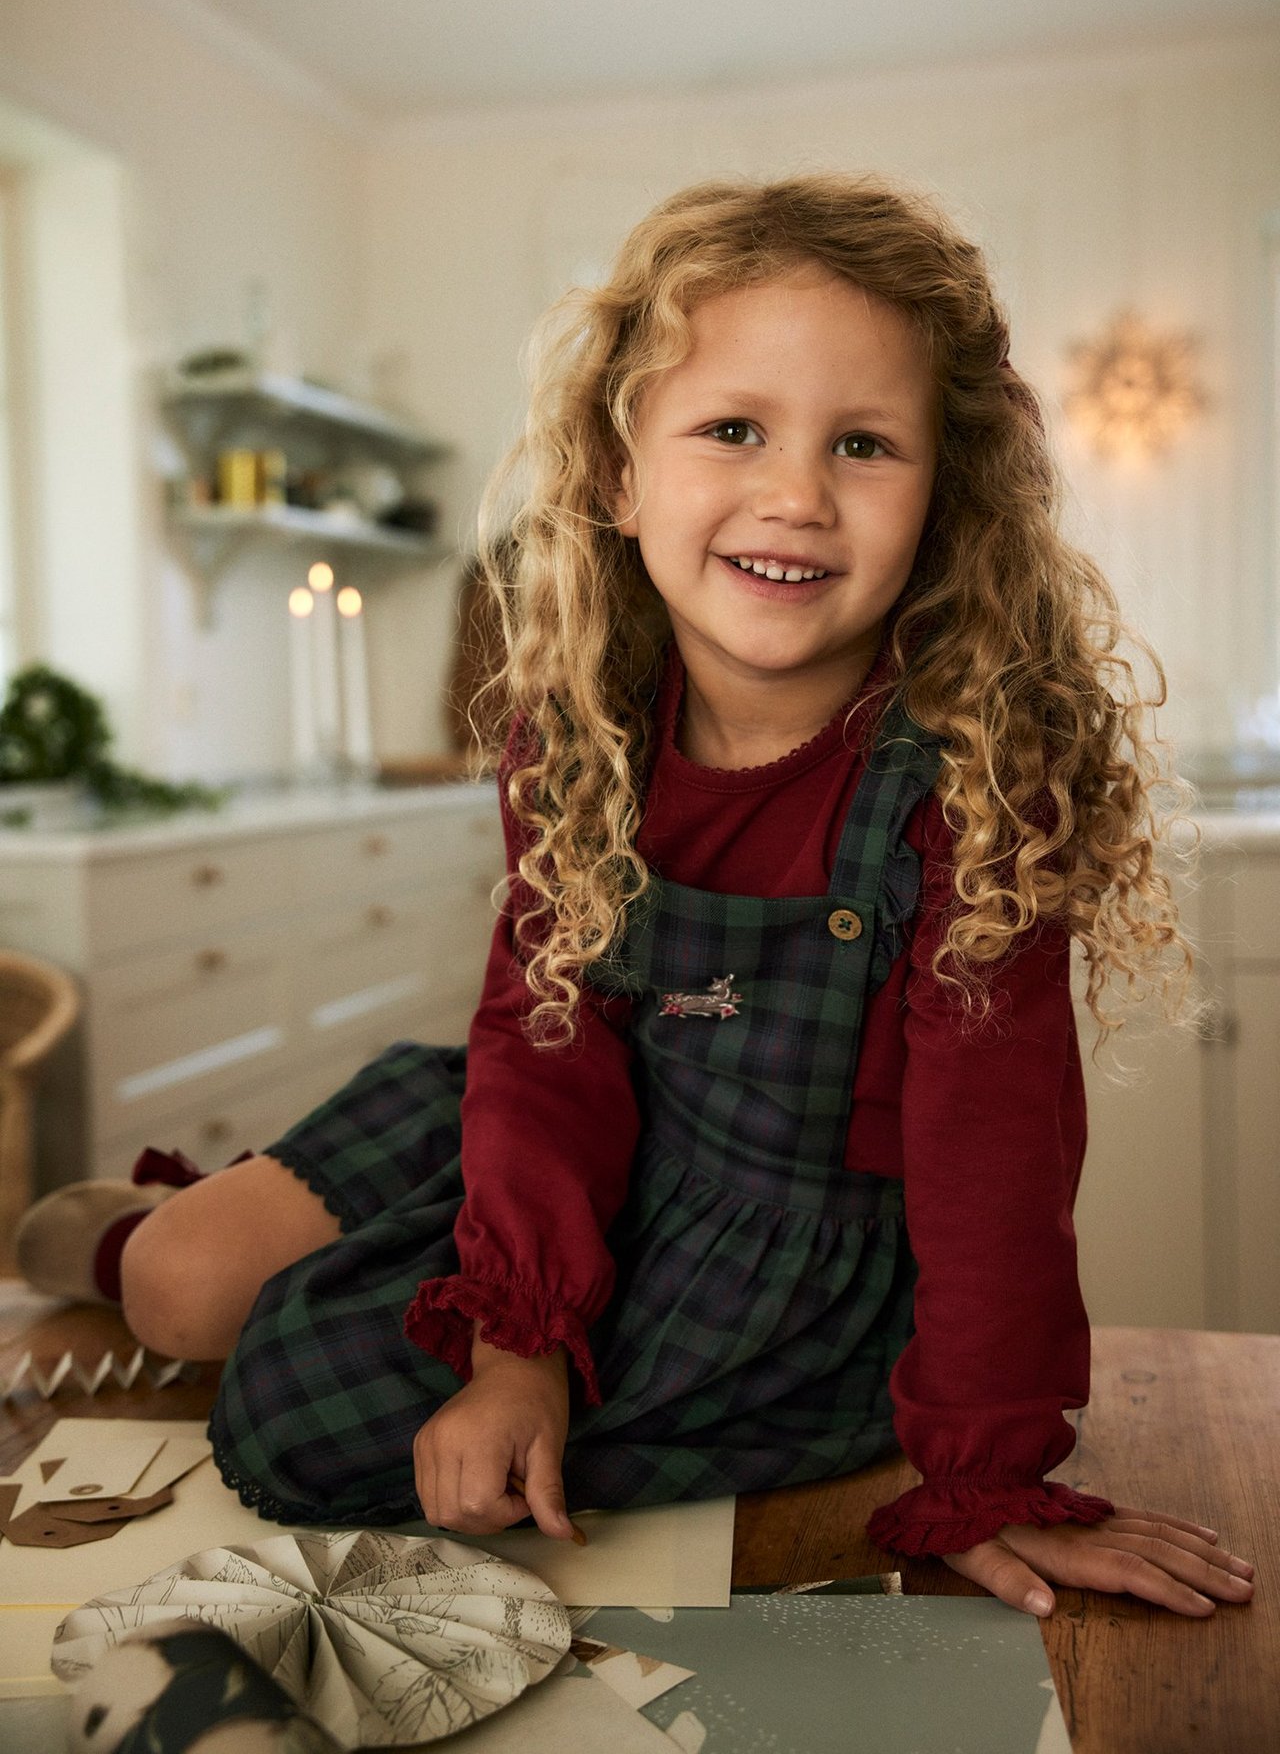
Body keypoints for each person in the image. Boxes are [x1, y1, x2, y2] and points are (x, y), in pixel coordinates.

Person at [20, 173, 1254, 1624]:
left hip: (762, 1244)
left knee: (287, 1403)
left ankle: (259, 1261)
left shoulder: (972, 779)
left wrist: (985, 1474)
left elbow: (999, 1166)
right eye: (733, 428)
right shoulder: (580, 722)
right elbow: (546, 1037)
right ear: (621, 471)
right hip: (555, 1117)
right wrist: (517, 1340)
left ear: (947, 496)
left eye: (864, 444)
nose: (794, 494)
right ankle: (76, 1237)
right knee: (177, 1287)